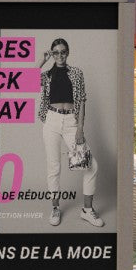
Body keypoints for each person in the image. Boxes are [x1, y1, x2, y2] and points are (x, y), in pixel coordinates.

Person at [37, 38, 104, 226]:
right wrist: (42, 61)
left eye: (63, 51)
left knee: (91, 165)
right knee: (54, 167)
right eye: (56, 52)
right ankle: (56, 208)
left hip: (71, 122)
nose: (60, 55)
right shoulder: (47, 75)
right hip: (51, 119)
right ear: (52, 54)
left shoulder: (76, 73)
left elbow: (82, 100)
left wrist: (80, 128)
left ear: (68, 52)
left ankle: (87, 210)